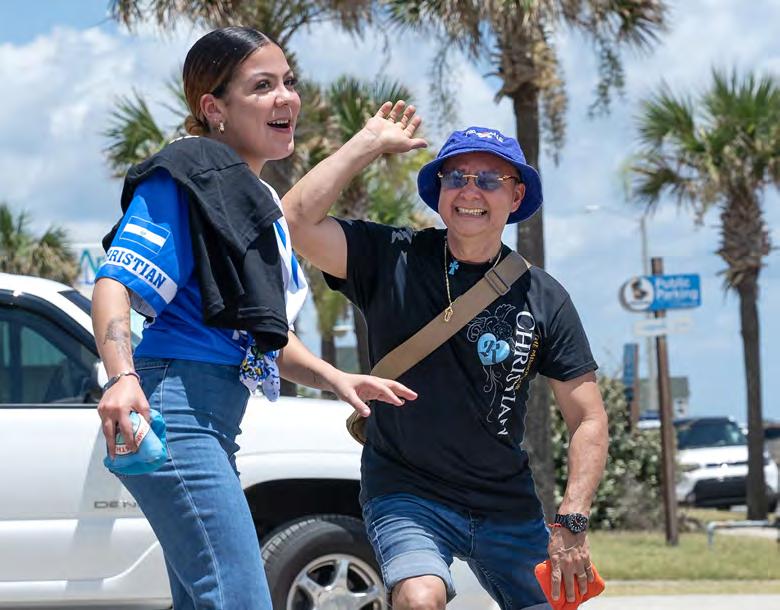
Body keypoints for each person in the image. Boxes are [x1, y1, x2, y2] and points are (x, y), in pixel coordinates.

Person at [92, 28, 416, 610]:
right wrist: (121, 377)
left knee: (210, 600)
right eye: (262, 86)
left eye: (289, 82)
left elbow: (261, 337)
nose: (285, 97)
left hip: (207, 419)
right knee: (239, 598)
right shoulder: (187, 172)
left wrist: (335, 377)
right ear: (213, 108)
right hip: (175, 414)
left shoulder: (247, 196)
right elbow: (114, 282)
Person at [284, 105, 609, 610]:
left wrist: (572, 517)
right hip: (407, 492)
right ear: (439, 191)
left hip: (505, 502)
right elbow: (293, 221)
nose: (470, 191)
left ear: (515, 196)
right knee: (420, 598)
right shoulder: (390, 257)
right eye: (456, 177)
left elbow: (588, 417)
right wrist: (367, 143)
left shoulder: (544, 297)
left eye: (489, 180)